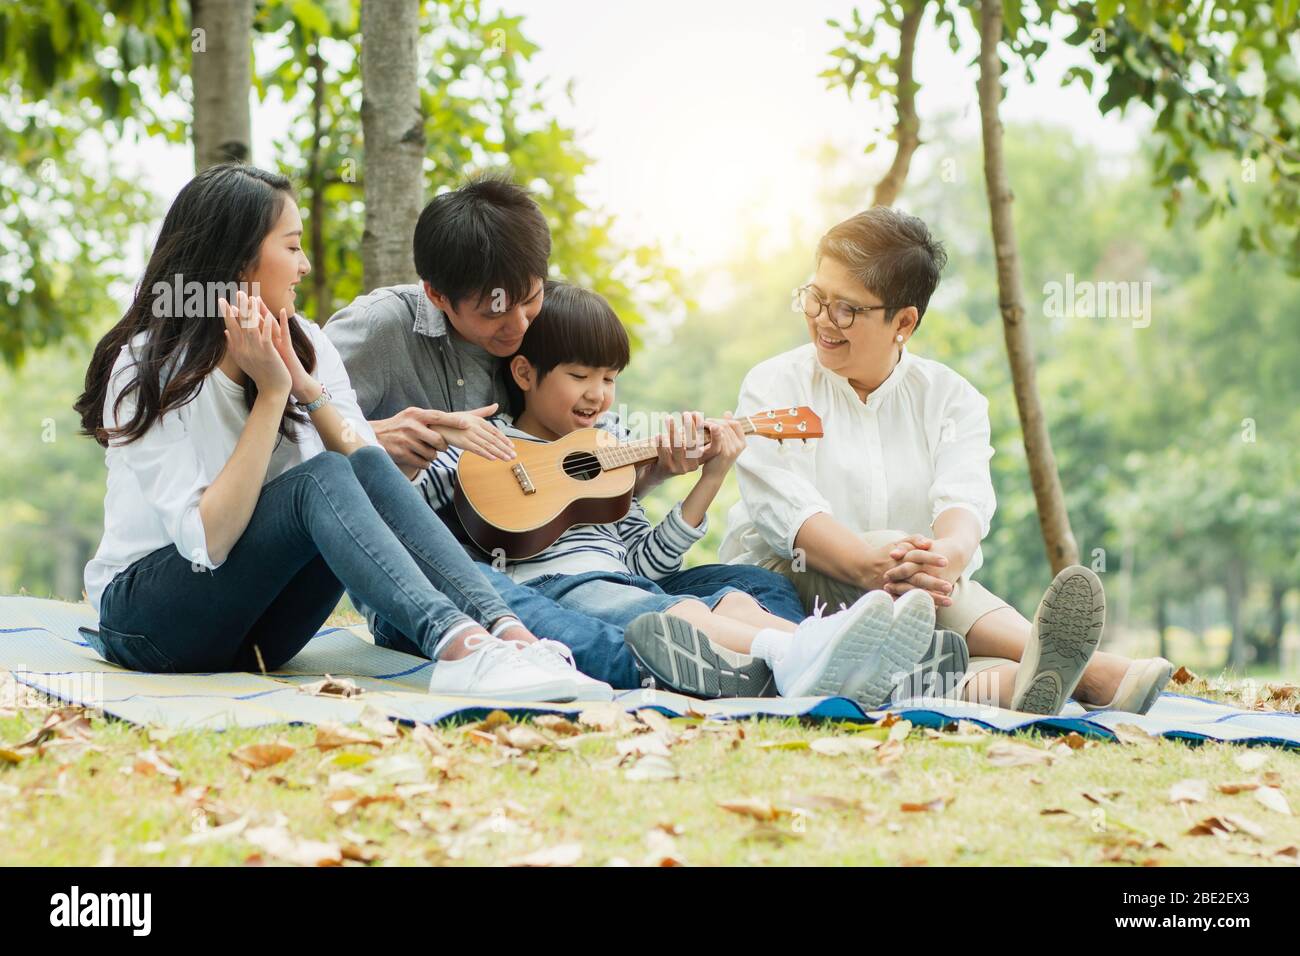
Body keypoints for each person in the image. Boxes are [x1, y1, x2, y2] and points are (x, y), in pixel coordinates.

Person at [73, 163, 608, 703]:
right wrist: (273, 393)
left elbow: (369, 467)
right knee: (321, 476)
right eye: (291, 247)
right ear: (238, 263)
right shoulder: (151, 365)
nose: (305, 266)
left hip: (261, 635)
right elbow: (207, 543)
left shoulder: (305, 341)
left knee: (359, 466)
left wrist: (306, 387)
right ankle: (458, 647)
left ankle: (509, 636)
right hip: (150, 622)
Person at [324, 173, 805, 689]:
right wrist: (373, 441)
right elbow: (291, 431)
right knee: (521, 596)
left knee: (750, 587)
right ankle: (677, 667)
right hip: (447, 581)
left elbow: (615, 516)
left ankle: (803, 654)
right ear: (437, 295)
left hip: (598, 573)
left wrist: (659, 472)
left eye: (528, 300)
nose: (516, 326)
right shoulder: (379, 329)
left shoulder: (551, 334)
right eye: (494, 312)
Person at [720, 206, 1174, 715]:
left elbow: (964, 501)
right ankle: (1096, 673)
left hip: (921, 601)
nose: (824, 320)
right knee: (901, 555)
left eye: (846, 309)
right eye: (816, 298)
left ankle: (1014, 685)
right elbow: (788, 512)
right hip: (787, 593)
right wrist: (874, 564)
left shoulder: (951, 399)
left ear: (904, 322)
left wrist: (946, 556)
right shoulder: (775, 385)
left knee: (931, 599)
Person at [416, 282, 939, 706]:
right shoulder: (485, 440)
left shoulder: (607, 455)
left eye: (610, 378)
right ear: (525, 373)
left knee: (730, 597)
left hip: (622, 582)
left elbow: (643, 565)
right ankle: (804, 651)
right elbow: (404, 509)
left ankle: (828, 653)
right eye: (579, 376)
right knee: (682, 612)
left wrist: (709, 477)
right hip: (552, 588)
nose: (597, 394)